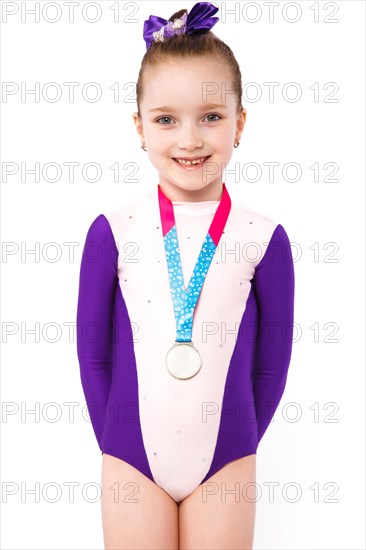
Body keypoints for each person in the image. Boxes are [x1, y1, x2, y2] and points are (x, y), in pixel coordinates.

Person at [76, 2, 295, 549]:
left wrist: (240, 442)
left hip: (226, 462)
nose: (190, 139)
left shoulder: (263, 239)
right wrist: (115, 439)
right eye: (167, 119)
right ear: (139, 125)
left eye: (212, 116)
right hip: (132, 461)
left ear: (240, 123)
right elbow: (93, 353)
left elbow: (272, 365)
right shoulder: (113, 231)